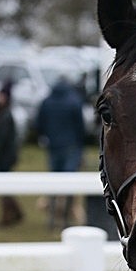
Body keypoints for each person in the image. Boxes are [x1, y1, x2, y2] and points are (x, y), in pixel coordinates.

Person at [36, 76, 85, 230]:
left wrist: (46, 136)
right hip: (71, 147)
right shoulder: (74, 101)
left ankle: (51, 219)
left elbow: (39, 123)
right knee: (69, 184)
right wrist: (80, 146)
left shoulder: (47, 101)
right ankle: (65, 219)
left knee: (54, 183)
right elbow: (80, 127)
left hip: (53, 146)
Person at [0, 83, 23, 226]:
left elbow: (1, 138)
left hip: (4, 158)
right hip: (4, 156)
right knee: (4, 187)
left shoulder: (5, 115)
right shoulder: (3, 114)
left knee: (3, 187)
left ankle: (8, 215)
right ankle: (16, 212)